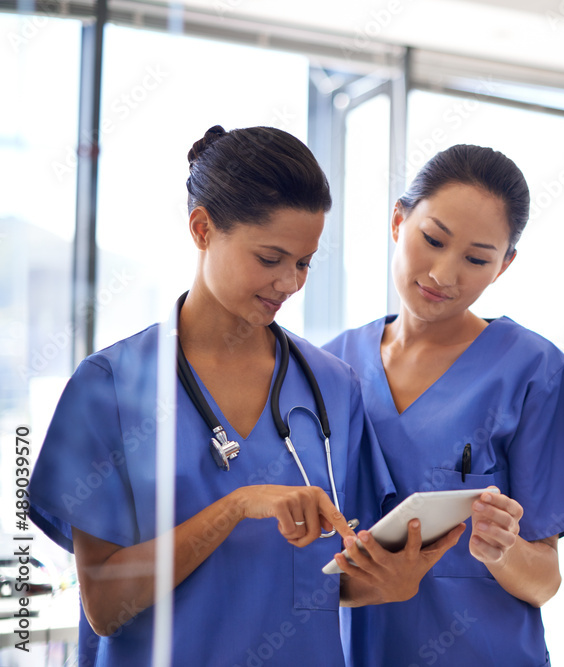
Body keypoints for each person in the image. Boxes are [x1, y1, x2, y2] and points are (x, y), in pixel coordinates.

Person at [28, 125, 395, 666]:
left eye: (304, 262)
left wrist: (396, 577)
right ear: (202, 228)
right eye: (270, 259)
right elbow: (105, 606)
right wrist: (236, 506)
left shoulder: (333, 387)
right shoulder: (108, 386)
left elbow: (342, 575)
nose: (290, 283)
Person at [324, 144, 564, 665]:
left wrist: (504, 550)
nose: (443, 274)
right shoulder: (330, 368)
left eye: (477, 259)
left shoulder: (534, 371)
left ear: (504, 266)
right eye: (432, 239)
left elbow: (544, 581)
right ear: (398, 220)